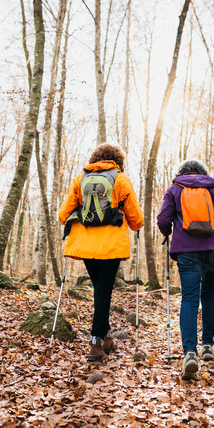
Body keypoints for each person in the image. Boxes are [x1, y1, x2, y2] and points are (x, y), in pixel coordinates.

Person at [58, 143, 143, 362]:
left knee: (100, 290)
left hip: (86, 244)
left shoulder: (81, 179)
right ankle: (96, 343)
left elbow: (62, 214)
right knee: (103, 290)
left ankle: (106, 336)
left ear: (95, 158)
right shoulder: (121, 179)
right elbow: (136, 220)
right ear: (117, 161)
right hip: (111, 245)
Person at [157, 160, 214, 380]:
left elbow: (163, 219)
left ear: (182, 172)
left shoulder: (174, 189)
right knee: (208, 295)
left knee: (189, 298)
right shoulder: (212, 190)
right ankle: (208, 346)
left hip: (187, 250)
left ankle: (190, 352)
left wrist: (168, 232)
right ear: (202, 173)